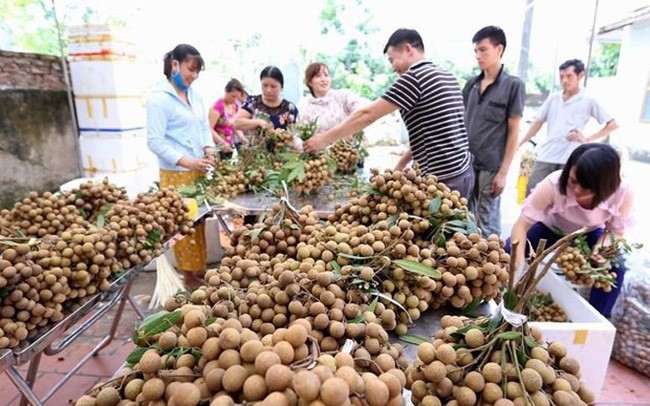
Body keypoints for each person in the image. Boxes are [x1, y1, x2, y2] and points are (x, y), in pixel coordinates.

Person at [304, 29, 473, 198]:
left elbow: (367, 114)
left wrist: (324, 139)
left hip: (442, 180)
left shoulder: (414, 78)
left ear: (408, 49)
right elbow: (430, 133)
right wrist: (400, 165)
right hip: (462, 172)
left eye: (392, 60)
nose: (393, 68)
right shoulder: (447, 76)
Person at [508, 143, 634, 318]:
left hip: (589, 234)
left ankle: (595, 320)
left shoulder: (623, 193)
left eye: (585, 187)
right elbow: (521, 226)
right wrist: (517, 261)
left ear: (603, 186)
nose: (576, 189)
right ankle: (501, 301)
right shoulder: (553, 184)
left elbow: (614, 232)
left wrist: (601, 248)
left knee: (615, 269)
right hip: (549, 228)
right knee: (508, 250)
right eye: (573, 181)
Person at [146, 44, 214, 287]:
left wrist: (208, 149)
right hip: (176, 174)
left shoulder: (195, 95)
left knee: (199, 223)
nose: (193, 76)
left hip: (197, 172)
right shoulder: (159, 99)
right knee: (183, 226)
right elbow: (154, 141)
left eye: (197, 71)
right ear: (174, 64)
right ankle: (188, 275)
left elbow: (204, 127)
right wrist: (188, 161)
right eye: (190, 69)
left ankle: (199, 269)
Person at [519, 59, 618, 196]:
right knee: (532, 193)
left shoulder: (588, 99)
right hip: (547, 153)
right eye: (561, 77)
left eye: (569, 76)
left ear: (581, 75)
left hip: (570, 158)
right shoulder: (553, 98)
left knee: (563, 199)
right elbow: (538, 122)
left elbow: (613, 124)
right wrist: (521, 142)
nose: (565, 80)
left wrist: (587, 139)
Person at [462, 26, 525, 237]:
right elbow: (460, 122)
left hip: (491, 166)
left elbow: (514, 132)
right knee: (464, 218)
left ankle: (493, 267)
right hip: (466, 163)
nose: (478, 56)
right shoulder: (471, 85)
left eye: (483, 50)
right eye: (476, 51)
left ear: (499, 49)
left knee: (486, 222)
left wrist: (503, 173)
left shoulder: (513, 86)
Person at [298, 62, 368, 133]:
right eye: (318, 76)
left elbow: (362, 111)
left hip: (351, 142)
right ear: (309, 82)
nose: (323, 79)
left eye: (326, 75)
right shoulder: (305, 110)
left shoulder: (343, 96)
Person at [234, 66, 298, 132]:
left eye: (273, 86)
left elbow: (294, 133)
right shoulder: (252, 102)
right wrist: (258, 122)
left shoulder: (290, 108)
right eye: (265, 85)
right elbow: (236, 123)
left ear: (281, 87)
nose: (268, 90)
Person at [208, 78, 247, 160]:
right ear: (226, 91)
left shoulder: (234, 106)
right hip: (217, 147)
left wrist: (241, 137)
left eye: (237, 98)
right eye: (233, 96)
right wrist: (222, 144)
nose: (235, 100)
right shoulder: (217, 106)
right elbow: (209, 129)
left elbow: (235, 125)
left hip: (228, 146)